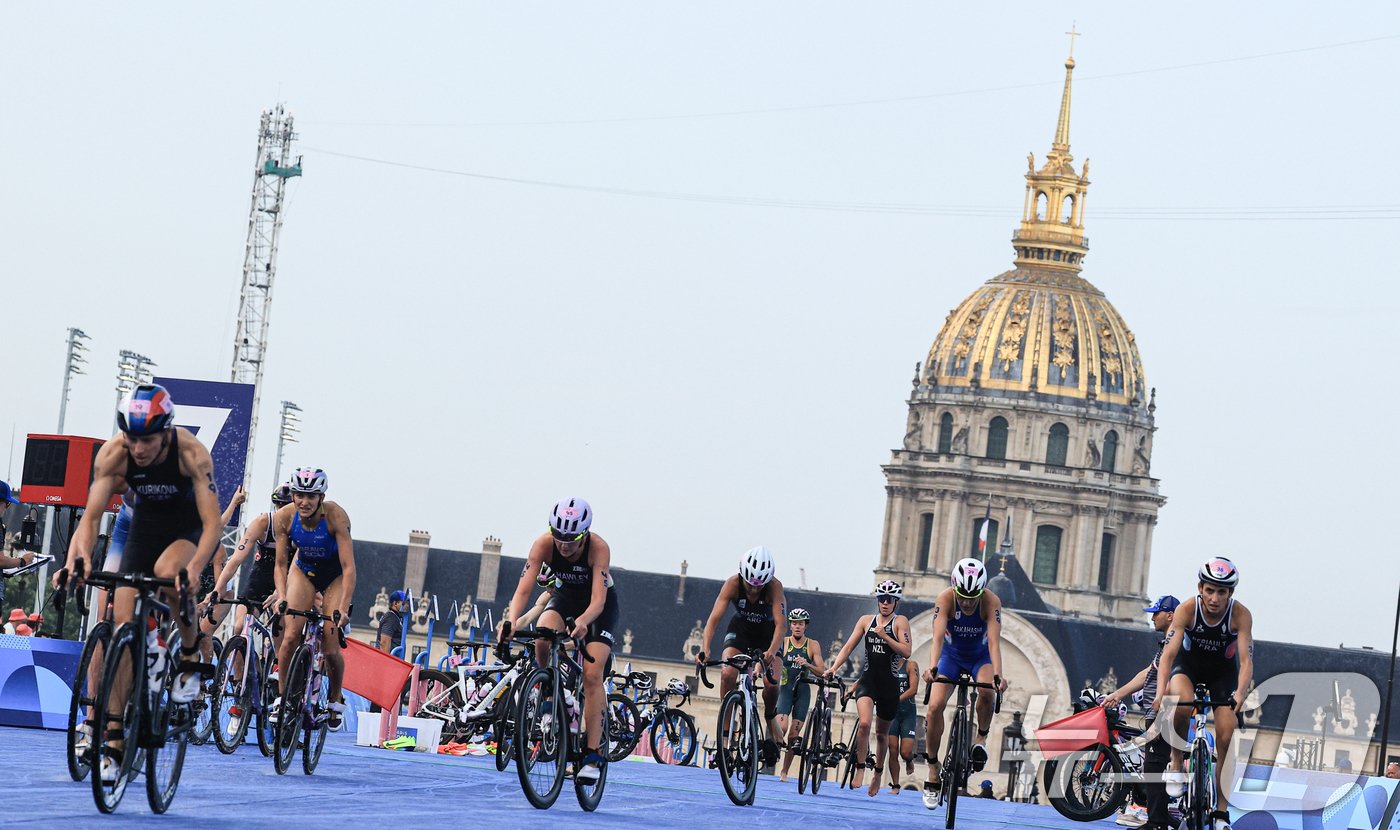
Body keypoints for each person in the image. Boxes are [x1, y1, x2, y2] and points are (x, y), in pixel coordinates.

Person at [54, 384, 225, 783]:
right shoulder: (114, 453)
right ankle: (113, 738)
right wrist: (78, 558)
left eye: (147, 439)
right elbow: (90, 517)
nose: (138, 448)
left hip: (185, 528)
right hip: (143, 528)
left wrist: (195, 567)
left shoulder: (191, 453)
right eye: (132, 438)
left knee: (171, 574)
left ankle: (188, 657)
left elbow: (213, 524)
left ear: (165, 432)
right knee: (121, 628)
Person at [500, 497, 619, 784]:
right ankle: (552, 695)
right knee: (542, 636)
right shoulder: (543, 544)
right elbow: (523, 590)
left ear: (585, 534)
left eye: (571, 539)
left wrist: (583, 622)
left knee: (592, 675)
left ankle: (593, 754)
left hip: (597, 609)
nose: (564, 545)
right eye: (558, 536)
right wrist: (511, 621)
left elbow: (599, 601)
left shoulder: (598, 548)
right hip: (566, 598)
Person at [1156, 558, 1254, 830]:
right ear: (1200, 588)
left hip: (1222, 673)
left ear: (1230, 593)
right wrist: (1160, 692)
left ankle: (1221, 812)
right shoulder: (1187, 609)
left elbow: (1246, 661)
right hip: (1188, 666)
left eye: (1221, 592)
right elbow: (1168, 655)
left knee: (1226, 734)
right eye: (1209, 590)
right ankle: (1176, 761)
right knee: (1182, 705)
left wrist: (1240, 693)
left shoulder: (1240, 615)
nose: (1214, 598)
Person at [271, 467, 356, 730]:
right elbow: (280, 564)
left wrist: (343, 609)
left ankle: (335, 698)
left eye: (311, 496)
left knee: (330, 648)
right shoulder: (284, 517)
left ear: (321, 498)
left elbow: (349, 568)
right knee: (290, 636)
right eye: (300, 495)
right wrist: (281, 595)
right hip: (304, 571)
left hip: (334, 575)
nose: (304, 502)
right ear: (293, 496)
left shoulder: (335, 516)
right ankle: (282, 698)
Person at [921, 558, 1009, 810]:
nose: (967, 603)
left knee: (986, 691)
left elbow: (994, 643)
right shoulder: (945, 599)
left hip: (980, 658)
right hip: (951, 657)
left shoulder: (991, 602)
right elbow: (937, 637)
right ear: (954, 589)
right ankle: (932, 769)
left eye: (973, 598)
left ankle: (980, 739)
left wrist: (998, 676)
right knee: (934, 707)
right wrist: (932, 667)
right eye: (962, 597)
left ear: (982, 592)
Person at [696, 546, 787, 766]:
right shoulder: (732, 584)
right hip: (741, 630)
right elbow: (713, 620)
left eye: (759, 586)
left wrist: (771, 652)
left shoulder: (774, 587)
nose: (754, 590)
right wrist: (705, 650)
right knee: (728, 673)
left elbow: (781, 625)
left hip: (768, 635)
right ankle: (725, 739)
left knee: (772, 684)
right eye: (749, 585)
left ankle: (770, 717)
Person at [827, 579, 913, 796]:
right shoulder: (866, 621)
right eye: (881, 599)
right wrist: (834, 668)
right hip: (868, 681)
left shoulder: (900, 622)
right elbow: (848, 646)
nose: (885, 603)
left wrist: (885, 636)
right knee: (864, 724)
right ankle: (860, 767)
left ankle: (877, 773)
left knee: (882, 734)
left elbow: (906, 651)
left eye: (889, 600)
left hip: (889, 685)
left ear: (896, 602)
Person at [1102, 594, 1180, 829]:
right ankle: (1160, 818)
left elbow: (1174, 679)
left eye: (1157, 613)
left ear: (1170, 616)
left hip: (1162, 711)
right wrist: (1118, 694)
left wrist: (1161, 712)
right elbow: (1147, 674)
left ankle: (1156, 822)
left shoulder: (1174, 644)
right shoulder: (1168, 644)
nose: (1153, 617)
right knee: (1154, 765)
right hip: (1158, 710)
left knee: (1154, 766)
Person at [775, 607, 827, 783]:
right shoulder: (783, 642)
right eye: (795, 623)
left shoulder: (812, 645)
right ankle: (774, 748)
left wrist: (807, 664)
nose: (797, 627)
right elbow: (771, 659)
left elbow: (822, 671)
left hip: (802, 693)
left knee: (793, 736)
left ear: (806, 626)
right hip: (785, 690)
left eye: (801, 624)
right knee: (781, 727)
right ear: (790, 625)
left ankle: (784, 771)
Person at [887, 653, 921, 793]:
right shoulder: (886, 666)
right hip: (892, 715)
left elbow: (913, 689)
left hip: (907, 714)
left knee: (905, 752)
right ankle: (895, 785)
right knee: (893, 749)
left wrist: (896, 700)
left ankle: (909, 760)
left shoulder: (910, 665)